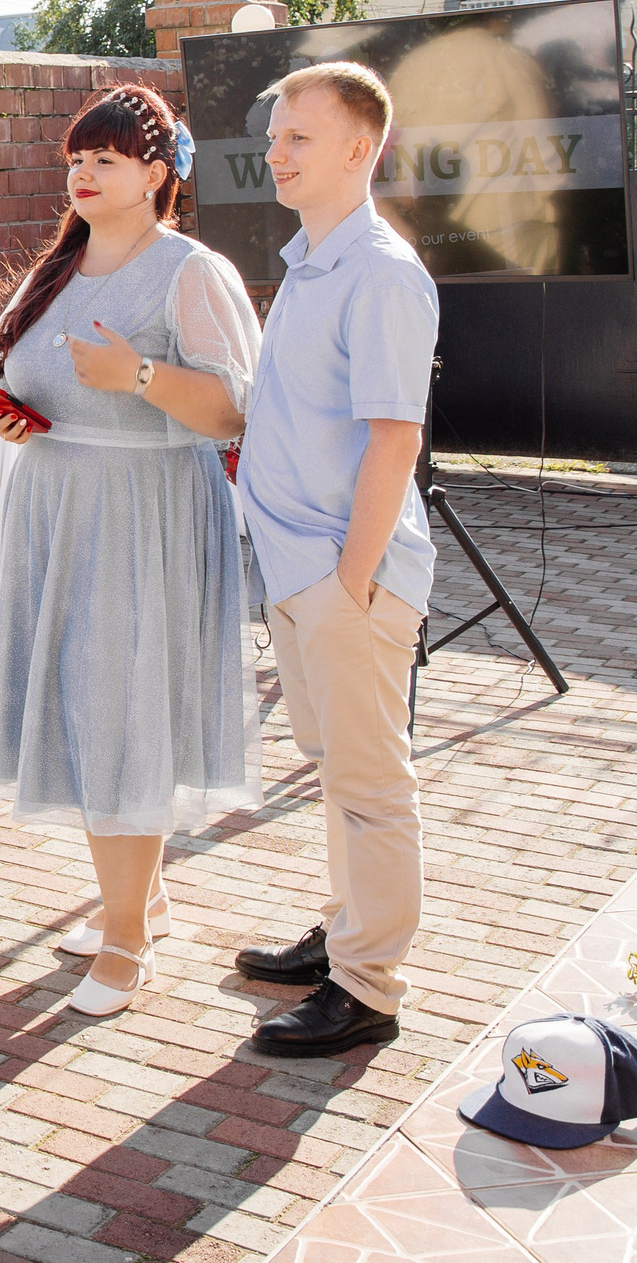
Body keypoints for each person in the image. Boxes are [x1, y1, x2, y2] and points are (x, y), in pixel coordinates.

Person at [0, 85, 262, 1019]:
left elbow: (234, 410)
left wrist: (137, 374)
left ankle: (128, 937)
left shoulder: (189, 272)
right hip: (57, 503)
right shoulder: (62, 264)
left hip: (144, 513)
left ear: (158, 175)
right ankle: (142, 897)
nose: (83, 173)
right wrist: (23, 416)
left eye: (107, 159)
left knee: (120, 710)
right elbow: (39, 376)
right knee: (79, 705)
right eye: (78, 158)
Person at [231, 61, 438, 1057]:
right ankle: (345, 936)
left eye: (298, 137)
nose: (276, 152)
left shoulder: (382, 273)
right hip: (300, 577)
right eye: (275, 137)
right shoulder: (312, 262)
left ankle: (367, 989)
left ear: (362, 149)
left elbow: (394, 439)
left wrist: (348, 587)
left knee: (370, 785)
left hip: (343, 582)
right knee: (337, 773)